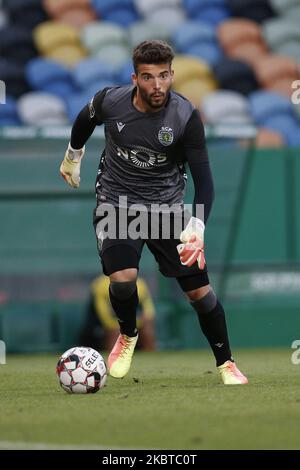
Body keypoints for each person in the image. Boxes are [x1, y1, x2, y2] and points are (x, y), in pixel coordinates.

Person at [60, 40, 248, 385]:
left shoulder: (185, 117)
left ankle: (226, 364)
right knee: (123, 277)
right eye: (148, 77)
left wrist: (197, 227)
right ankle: (128, 334)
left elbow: (205, 183)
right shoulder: (110, 101)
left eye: (163, 76)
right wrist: (73, 155)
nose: (157, 85)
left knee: (199, 294)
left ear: (173, 74)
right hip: (117, 202)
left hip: (166, 208)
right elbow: (85, 119)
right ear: (135, 78)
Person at [79, 274, 156, 351]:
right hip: (109, 324)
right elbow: (105, 317)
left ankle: (150, 357)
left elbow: (148, 312)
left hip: (134, 323)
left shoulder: (140, 283)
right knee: (115, 331)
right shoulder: (101, 284)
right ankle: (114, 361)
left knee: (147, 328)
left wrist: (132, 325)